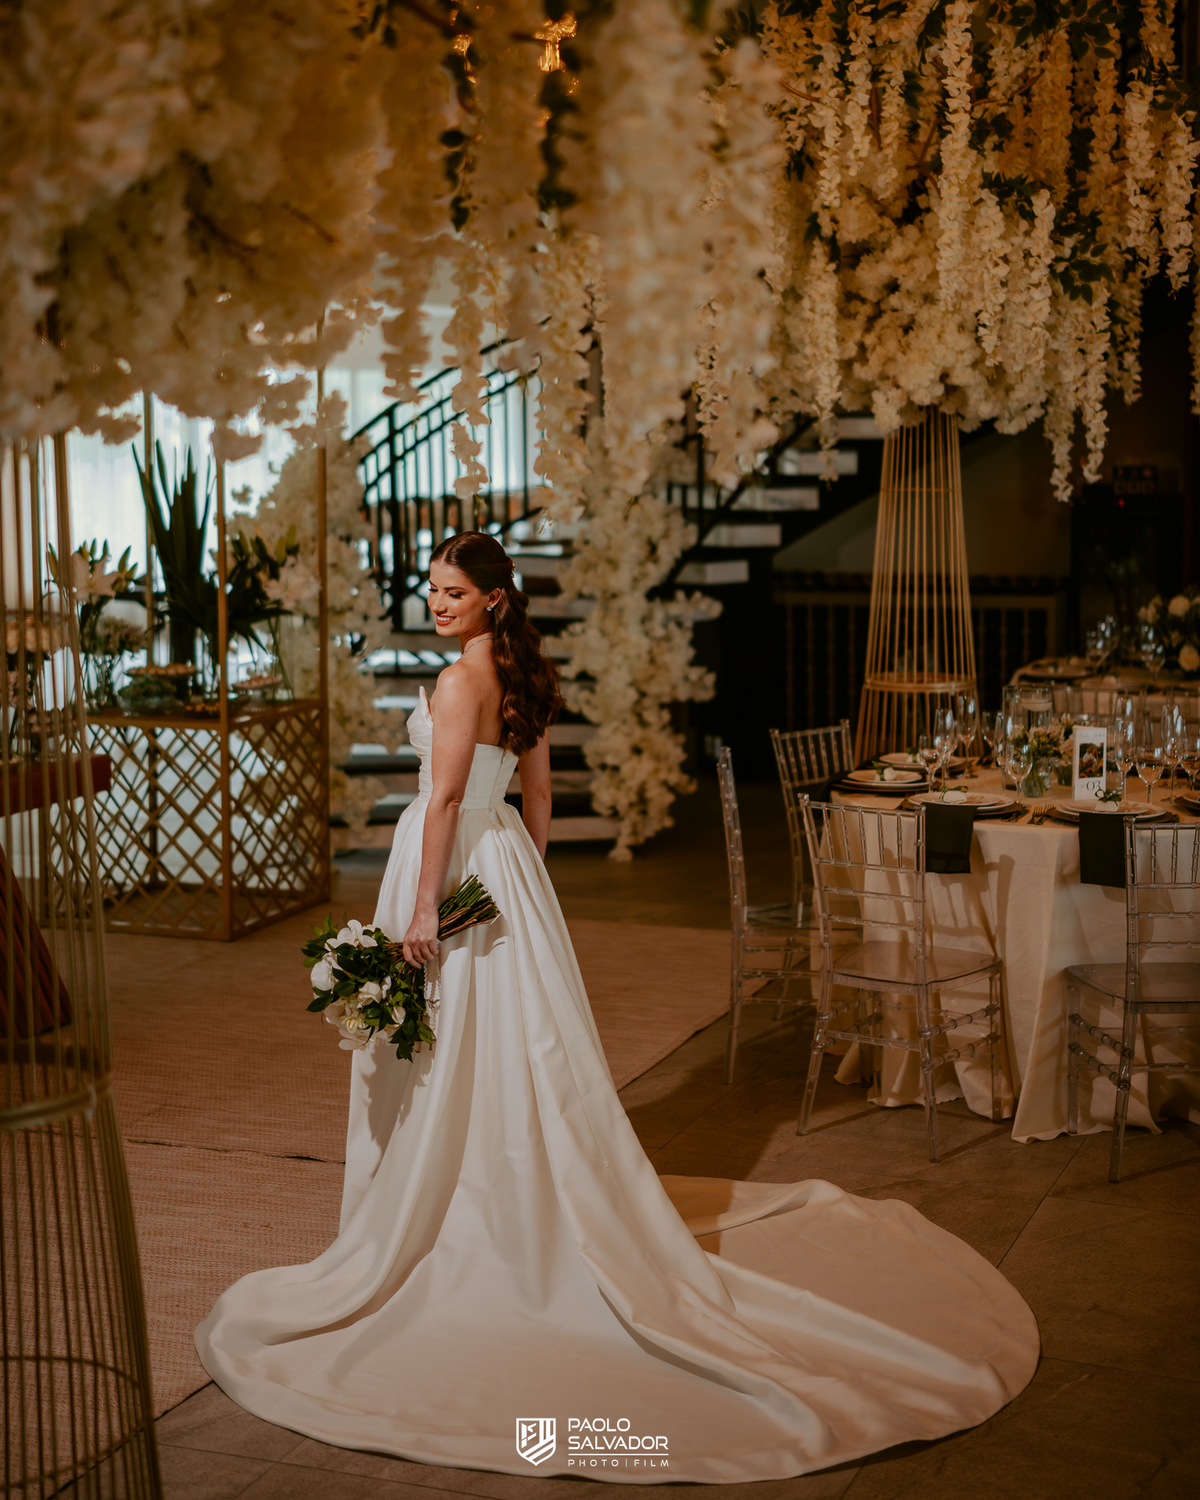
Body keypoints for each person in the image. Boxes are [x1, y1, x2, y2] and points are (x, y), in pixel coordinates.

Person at [197, 531, 1039, 1483]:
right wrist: (522, 881)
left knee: (442, 1043)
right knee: (515, 1045)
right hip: (503, 864)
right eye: (432, 591)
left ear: (494, 602)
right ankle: (492, 1182)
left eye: (454, 593)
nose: (437, 604)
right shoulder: (522, 676)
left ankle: (443, 1210)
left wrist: (429, 905)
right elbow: (541, 795)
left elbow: (437, 804)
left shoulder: (460, 681)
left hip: (450, 867)